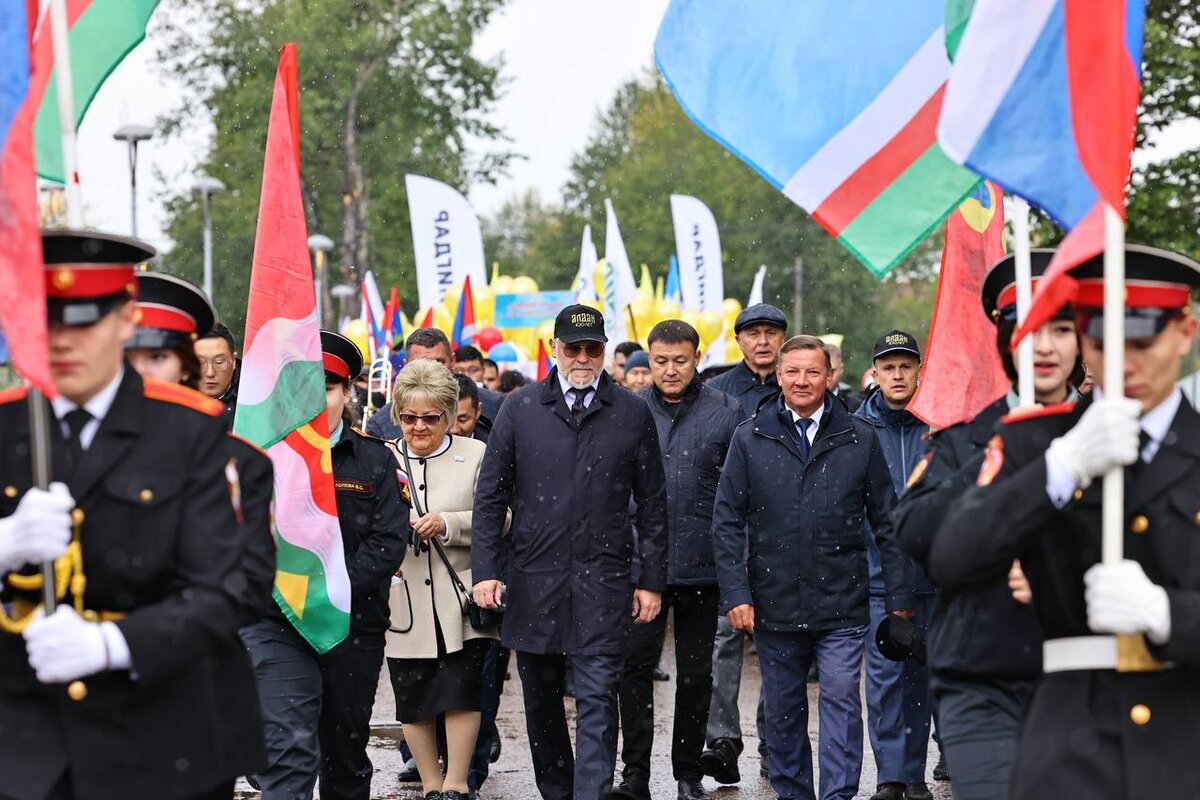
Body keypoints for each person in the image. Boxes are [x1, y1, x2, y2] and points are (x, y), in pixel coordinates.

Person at [929, 246, 1200, 799]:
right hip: (1071, 743)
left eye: (1143, 341)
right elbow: (955, 553)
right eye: (1102, 343)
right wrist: (1060, 466)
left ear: (1186, 332)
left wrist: (1168, 613)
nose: (1123, 362)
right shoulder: (1037, 441)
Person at [0, 229, 263, 799]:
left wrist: (111, 644)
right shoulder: (5, 427)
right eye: (46, 320)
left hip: (159, 737)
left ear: (123, 319)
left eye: (83, 320)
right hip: (22, 742)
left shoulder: (193, 433)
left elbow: (227, 587)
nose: (61, 340)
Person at [894, 251, 1082, 800]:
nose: (1044, 346)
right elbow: (918, 533)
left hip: (1086, 675)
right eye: (1027, 329)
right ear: (1004, 340)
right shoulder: (961, 442)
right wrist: (1009, 450)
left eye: (1061, 329)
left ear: (1083, 341)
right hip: (985, 673)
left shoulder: (1116, 436)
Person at [471, 304, 669, 800]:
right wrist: (486, 571)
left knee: (600, 695)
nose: (582, 357)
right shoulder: (520, 408)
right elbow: (491, 497)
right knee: (539, 698)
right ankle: (557, 791)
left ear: (604, 350)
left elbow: (652, 502)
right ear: (555, 349)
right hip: (534, 576)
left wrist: (650, 580)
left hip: (604, 578)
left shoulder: (630, 410)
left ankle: (590, 794)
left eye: (593, 348)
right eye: (572, 347)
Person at [712, 334, 913, 800]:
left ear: (830, 376)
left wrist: (900, 598)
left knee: (842, 701)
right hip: (773, 603)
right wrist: (736, 595)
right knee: (782, 711)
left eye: (812, 371)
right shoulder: (751, 436)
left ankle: (838, 794)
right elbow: (726, 522)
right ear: (779, 376)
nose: (803, 381)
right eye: (793, 372)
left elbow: (887, 521)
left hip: (841, 604)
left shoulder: (858, 438)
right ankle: (793, 792)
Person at [242, 330, 409, 800]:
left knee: (345, 749)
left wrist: (328, 586)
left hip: (352, 625)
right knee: (285, 750)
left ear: (348, 393)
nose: (317, 399)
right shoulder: (262, 458)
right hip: (280, 622)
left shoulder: (374, 459)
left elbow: (388, 541)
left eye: (329, 388)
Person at [612, 320, 741, 800]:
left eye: (679, 360)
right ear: (648, 359)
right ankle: (636, 775)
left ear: (697, 358)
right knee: (634, 671)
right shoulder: (625, 411)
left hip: (702, 565)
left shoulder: (726, 412)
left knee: (694, 674)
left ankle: (687, 773)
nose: (669, 370)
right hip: (640, 567)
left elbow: (736, 495)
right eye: (660, 361)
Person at [126, 272, 277, 627]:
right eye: (129, 356)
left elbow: (251, 583)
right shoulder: (77, 443)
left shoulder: (242, 462)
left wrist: (121, 643)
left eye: (158, 357)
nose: (142, 371)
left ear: (183, 367)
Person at [383, 360, 500, 800]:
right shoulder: (384, 456)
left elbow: (500, 517)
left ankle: (456, 785)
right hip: (404, 599)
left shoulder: (476, 454)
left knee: (462, 692)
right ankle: (431, 785)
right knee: (412, 695)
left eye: (431, 417)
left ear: (450, 416)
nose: (419, 427)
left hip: (461, 595)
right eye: (409, 417)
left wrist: (449, 523)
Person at [700, 302, 787, 784]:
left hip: (784, 536)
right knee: (724, 639)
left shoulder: (801, 385)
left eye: (772, 332)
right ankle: (723, 741)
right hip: (730, 531)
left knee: (779, 643)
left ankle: (775, 746)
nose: (763, 341)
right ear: (739, 340)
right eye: (754, 333)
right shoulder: (718, 393)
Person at [853, 330, 935, 800]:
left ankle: (916, 773)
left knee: (919, 682)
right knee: (884, 683)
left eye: (906, 365)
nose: (898, 374)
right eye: (889, 366)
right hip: (880, 578)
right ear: (876, 372)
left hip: (932, 577)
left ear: (919, 369)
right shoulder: (857, 428)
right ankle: (890, 776)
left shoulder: (938, 424)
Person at [368, 328, 458, 440]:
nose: (429, 370)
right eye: (409, 418)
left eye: (438, 363)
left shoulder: (484, 406)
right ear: (406, 366)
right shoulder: (382, 425)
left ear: (453, 361)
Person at [195, 321, 240, 418]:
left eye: (218, 362)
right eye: (200, 363)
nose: (210, 373)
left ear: (233, 361)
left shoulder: (253, 399)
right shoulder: (172, 399)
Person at [453, 345, 504, 420]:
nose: (466, 375)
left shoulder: (496, 401)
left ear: (483, 371)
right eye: (459, 371)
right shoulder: (443, 399)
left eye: (473, 370)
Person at [450, 371, 492, 443]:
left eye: (462, 419)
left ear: (478, 411)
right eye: (448, 420)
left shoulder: (492, 447)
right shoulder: (426, 449)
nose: (454, 430)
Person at [826, 343, 863, 412]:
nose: (828, 377)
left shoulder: (856, 406)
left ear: (841, 369)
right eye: (823, 371)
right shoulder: (803, 402)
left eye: (832, 371)